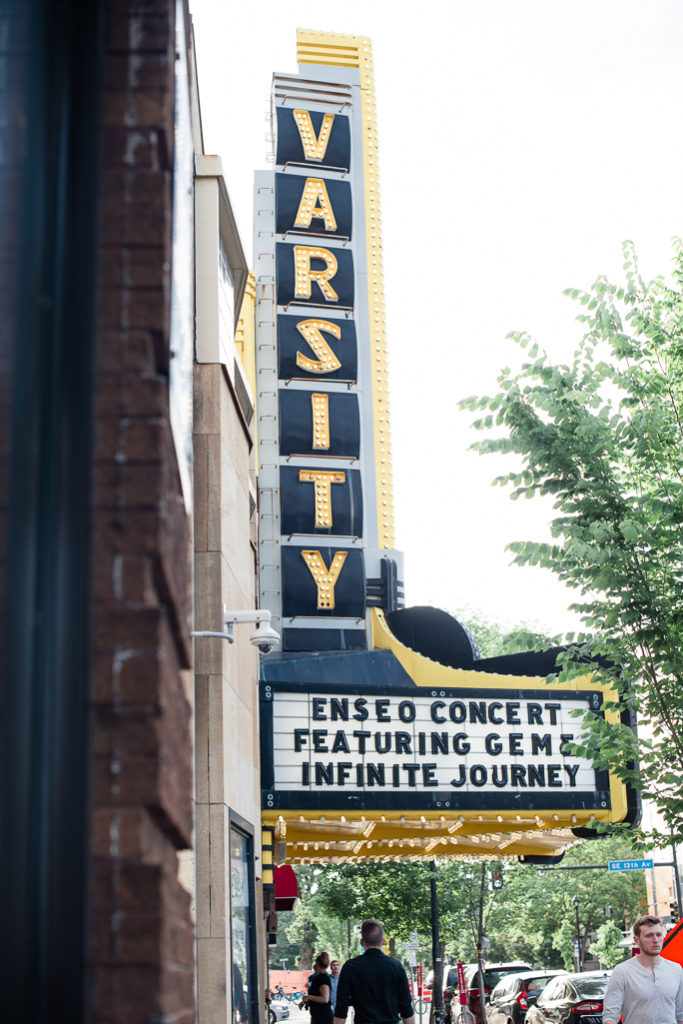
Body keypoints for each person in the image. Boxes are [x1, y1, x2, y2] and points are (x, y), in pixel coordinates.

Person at [603, 915, 683, 1024]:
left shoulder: (676, 970)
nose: (655, 940)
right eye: (649, 936)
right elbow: (610, 1016)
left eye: (659, 935)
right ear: (637, 940)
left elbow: (680, 1014)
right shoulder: (622, 971)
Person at [333, 918, 414, 1024]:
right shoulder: (396, 967)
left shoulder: (350, 967)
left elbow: (341, 1009)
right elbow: (406, 1008)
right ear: (383, 941)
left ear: (361, 942)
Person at [304, 952, 334, 1024]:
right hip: (318, 1015)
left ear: (317, 963)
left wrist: (309, 997)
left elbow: (325, 999)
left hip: (323, 1017)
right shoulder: (319, 977)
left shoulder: (323, 978)